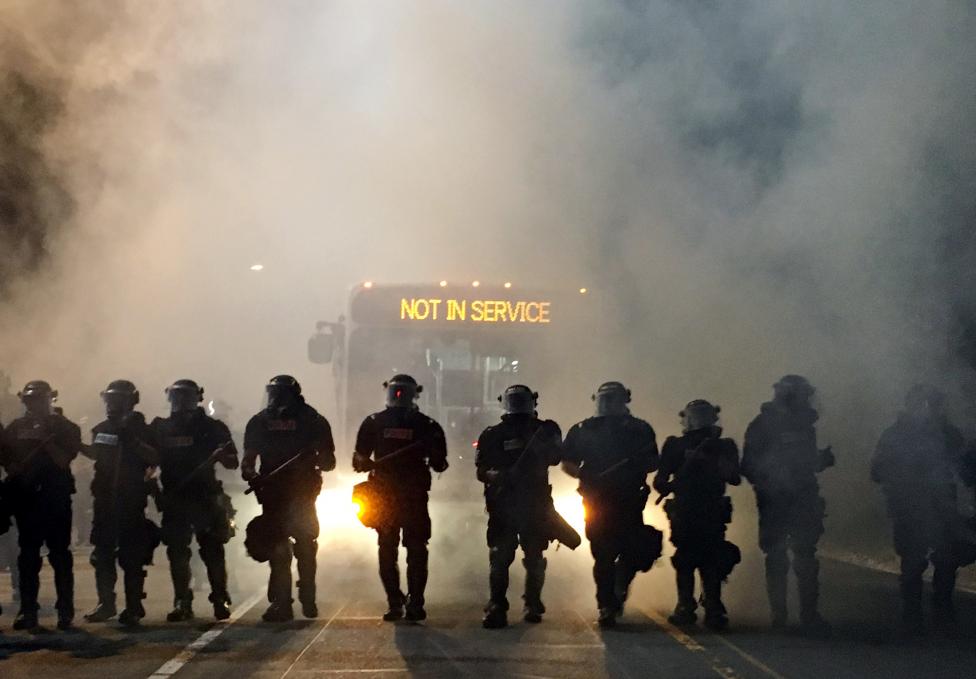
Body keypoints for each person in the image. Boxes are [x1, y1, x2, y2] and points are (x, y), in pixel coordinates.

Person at [871, 385, 968, 633]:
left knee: (946, 560)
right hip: (909, 506)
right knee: (914, 561)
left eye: (933, 404)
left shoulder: (948, 434)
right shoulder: (895, 435)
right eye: (925, 404)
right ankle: (913, 614)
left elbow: (965, 466)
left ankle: (941, 612)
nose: (929, 410)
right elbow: (877, 471)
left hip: (941, 506)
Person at [561, 381, 658, 628]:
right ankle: (605, 605)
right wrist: (584, 475)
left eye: (612, 399)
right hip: (596, 500)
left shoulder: (639, 429)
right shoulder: (583, 429)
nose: (606, 403)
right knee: (603, 555)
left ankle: (619, 589)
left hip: (628, 499)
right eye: (603, 399)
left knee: (631, 552)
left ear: (624, 400)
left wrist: (634, 464)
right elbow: (568, 462)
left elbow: (652, 462)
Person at [742, 375, 834, 633]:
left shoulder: (805, 426)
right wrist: (770, 481)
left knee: (805, 555)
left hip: (803, 496)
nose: (807, 400)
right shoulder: (762, 425)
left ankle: (809, 615)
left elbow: (805, 461)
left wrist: (820, 460)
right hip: (775, 500)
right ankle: (779, 617)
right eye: (802, 395)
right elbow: (748, 465)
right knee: (777, 556)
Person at [352, 374, 448, 622]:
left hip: (390, 497)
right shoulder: (428, 425)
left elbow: (358, 461)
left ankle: (397, 603)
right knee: (414, 549)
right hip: (407, 497)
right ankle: (413, 603)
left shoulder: (373, 422)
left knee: (388, 548)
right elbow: (440, 465)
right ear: (415, 394)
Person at [242, 375, 335, 623]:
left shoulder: (313, 421)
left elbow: (329, 463)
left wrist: (314, 454)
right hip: (273, 493)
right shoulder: (261, 422)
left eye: (279, 394)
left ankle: (306, 595)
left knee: (304, 544)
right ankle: (282, 603)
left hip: (303, 492)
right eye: (273, 393)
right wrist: (252, 476)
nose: (275, 399)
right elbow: (248, 461)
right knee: (279, 548)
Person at [151, 379, 239, 622]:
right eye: (176, 398)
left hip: (205, 496)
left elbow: (233, 462)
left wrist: (221, 455)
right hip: (175, 497)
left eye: (185, 397)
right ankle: (182, 600)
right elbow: (149, 457)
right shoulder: (161, 428)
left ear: (196, 398)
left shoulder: (212, 428)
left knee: (212, 550)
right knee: (177, 552)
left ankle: (219, 597)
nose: (179, 403)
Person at [475, 385, 562, 629]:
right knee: (499, 557)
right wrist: (497, 476)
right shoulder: (492, 434)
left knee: (534, 556)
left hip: (535, 503)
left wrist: (539, 448)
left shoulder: (544, 430)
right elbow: (481, 470)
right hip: (503, 504)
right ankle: (497, 605)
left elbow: (556, 457)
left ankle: (533, 603)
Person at [0, 381, 82, 630]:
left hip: (55, 498)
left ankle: (65, 609)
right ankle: (28, 610)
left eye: (38, 400)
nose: (33, 405)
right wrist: (11, 466)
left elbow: (63, 460)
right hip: (27, 500)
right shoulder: (15, 427)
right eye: (29, 401)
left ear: (50, 399)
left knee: (60, 555)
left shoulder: (66, 428)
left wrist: (46, 440)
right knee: (27, 558)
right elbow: (5, 457)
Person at [654, 400, 741, 631]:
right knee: (685, 558)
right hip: (685, 509)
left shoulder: (724, 446)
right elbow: (660, 480)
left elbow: (734, 477)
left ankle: (712, 605)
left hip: (712, 508)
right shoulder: (675, 445)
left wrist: (713, 460)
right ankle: (685, 604)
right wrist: (669, 485)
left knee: (711, 558)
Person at [83, 380, 160, 626]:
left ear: (131, 401)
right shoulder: (101, 428)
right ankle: (106, 603)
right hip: (105, 500)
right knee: (102, 555)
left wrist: (133, 442)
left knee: (131, 556)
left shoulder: (143, 430)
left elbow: (155, 458)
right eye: (110, 399)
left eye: (118, 400)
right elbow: (96, 454)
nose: (112, 404)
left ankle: (134, 606)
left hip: (130, 500)